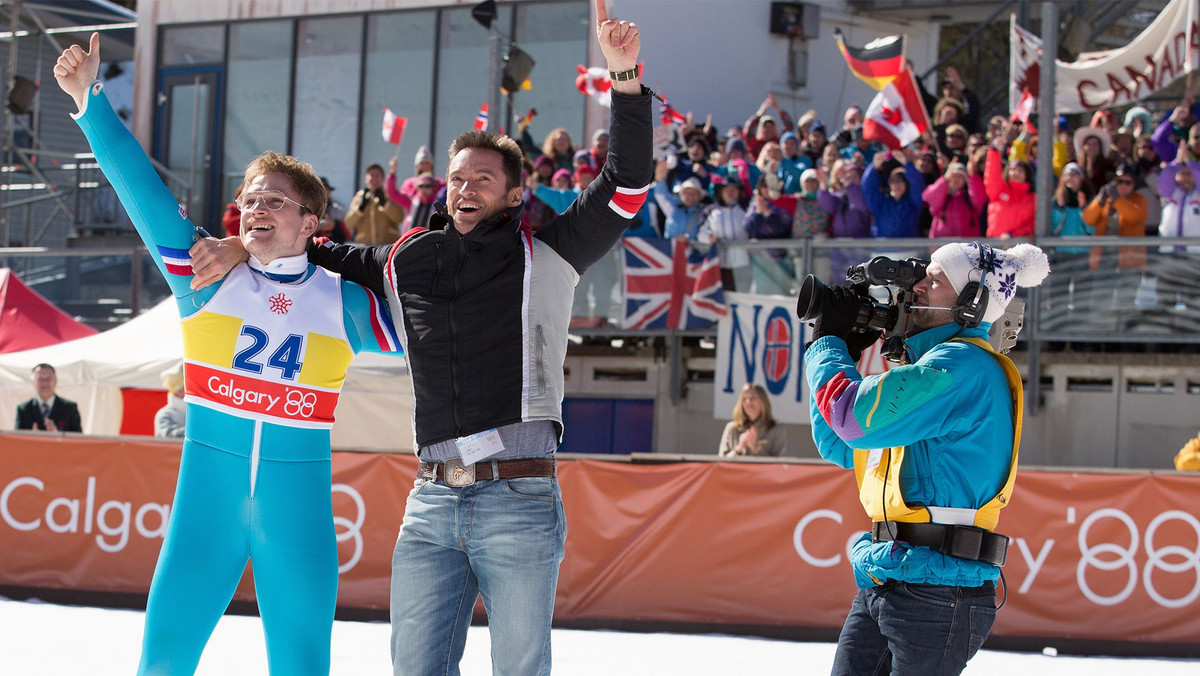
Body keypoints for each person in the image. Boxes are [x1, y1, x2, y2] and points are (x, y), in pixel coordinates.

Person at [189, 3, 648, 673]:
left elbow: (627, 184)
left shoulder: (550, 254)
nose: (465, 189)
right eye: (458, 177)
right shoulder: (406, 258)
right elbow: (308, 249)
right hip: (430, 499)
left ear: (514, 196)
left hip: (518, 498)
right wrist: (241, 244)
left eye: (483, 180)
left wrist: (625, 77)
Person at [55, 33, 401, 675]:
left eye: (275, 201)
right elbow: (138, 188)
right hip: (203, 512)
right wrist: (90, 100)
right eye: (250, 199)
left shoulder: (345, 303)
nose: (256, 208)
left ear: (311, 224)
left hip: (294, 520)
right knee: (162, 667)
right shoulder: (204, 274)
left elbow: (440, 314)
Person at [803, 240, 1049, 676]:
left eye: (933, 280)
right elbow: (840, 443)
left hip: (938, 591)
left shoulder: (960, 367)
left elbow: (848, 419)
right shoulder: (927, 367)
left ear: (971, 303)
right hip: (891, 574)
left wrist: (827, 344)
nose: (915, 285)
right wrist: (848, 352)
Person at [717, 383, 786, 457]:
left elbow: (779, 465)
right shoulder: (731, 428)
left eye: (753, 398)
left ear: (763, 401)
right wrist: (738, 449)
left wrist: (756, 448)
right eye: (744, 399)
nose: (748, 402)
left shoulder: (777, 430)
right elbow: (720, 462)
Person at [348, 163, 406, 244]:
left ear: (383, 178)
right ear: (366, 178)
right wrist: (360, 208)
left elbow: (399, 217)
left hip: (387, 245)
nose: (374, 178)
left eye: (377, 175)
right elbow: (349, 223)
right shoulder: (360, 196)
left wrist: (385, 204)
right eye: (371, 175)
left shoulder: (390, 194)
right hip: (365, 247)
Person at [15, 363, 82, 432]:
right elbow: (15, 440)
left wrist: (57, 435)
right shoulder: (23, 409)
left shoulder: (70, 408)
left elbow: (78, 439)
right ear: (33, 382)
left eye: (48, 379)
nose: (44, 383)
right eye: (40, 379)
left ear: (56, 381)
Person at [154, 362, 186, 439]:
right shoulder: (166, 414)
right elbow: (168, 436)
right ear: (179, 391)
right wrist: (197, 431)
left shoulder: (201, 412)